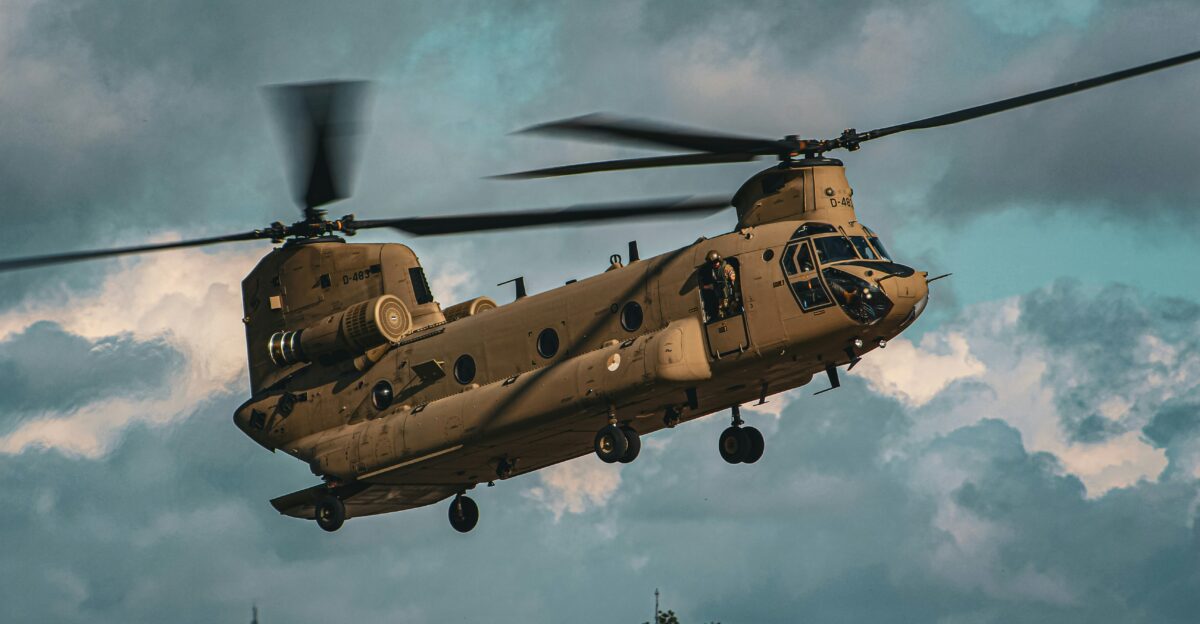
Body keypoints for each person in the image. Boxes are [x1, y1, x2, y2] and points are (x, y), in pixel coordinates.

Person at [699, 250, 738, 320]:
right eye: (713, 263)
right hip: (721, 299)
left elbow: (734, 282)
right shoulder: (714, 272)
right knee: (721, 316)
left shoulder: (727, 268)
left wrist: (735, 295)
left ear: (719, 259)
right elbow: (715, 285)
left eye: (716, 262)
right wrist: (705, 287)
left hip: (730, 298)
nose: (715, 264)